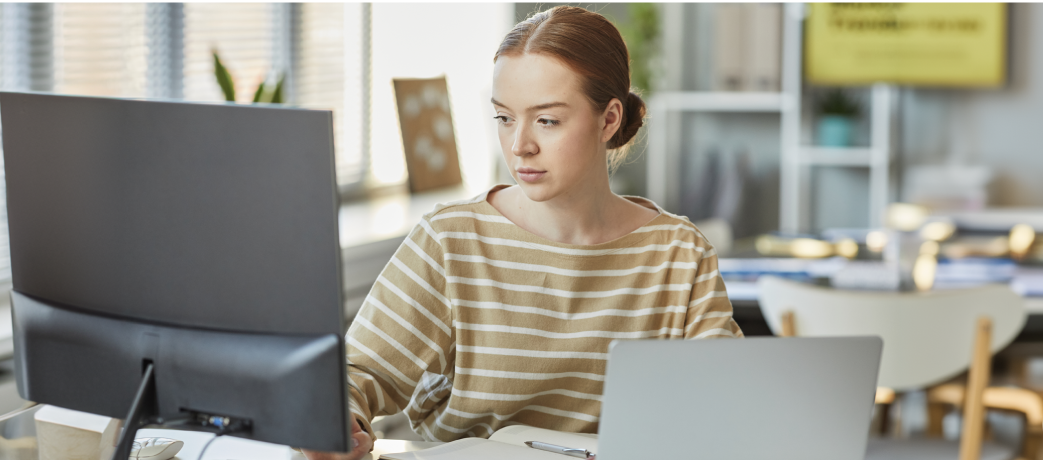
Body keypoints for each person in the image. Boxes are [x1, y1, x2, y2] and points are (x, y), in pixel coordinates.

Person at [305, 6, 742, 460]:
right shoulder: (451, 239)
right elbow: (354, 375)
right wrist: (340, 425)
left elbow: (728, 404)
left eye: (547, 120)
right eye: (504, 118)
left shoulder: (678, 253)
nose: (519, 146)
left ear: (609, 120)